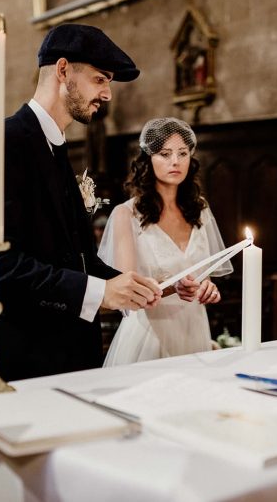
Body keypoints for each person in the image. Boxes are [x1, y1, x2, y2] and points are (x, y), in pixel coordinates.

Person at [0, 24, 162, 384]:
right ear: (63, 70)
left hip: (63, 357)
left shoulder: (56, 147)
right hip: (14, 362)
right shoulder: (5, 142)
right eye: (100, 79)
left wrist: (137, 285)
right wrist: (99, 292)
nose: (108, 94)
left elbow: (74, 258)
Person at [97, 117, 231, 365]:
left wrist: (207, 287)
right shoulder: (126, 214)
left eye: (182, 153)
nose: (175, 161)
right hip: (150, 332)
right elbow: (128, 290)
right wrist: (173, 286)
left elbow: (203, 273)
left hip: (195, 329)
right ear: (148, 159)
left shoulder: (199, 210)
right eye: (165, 153)